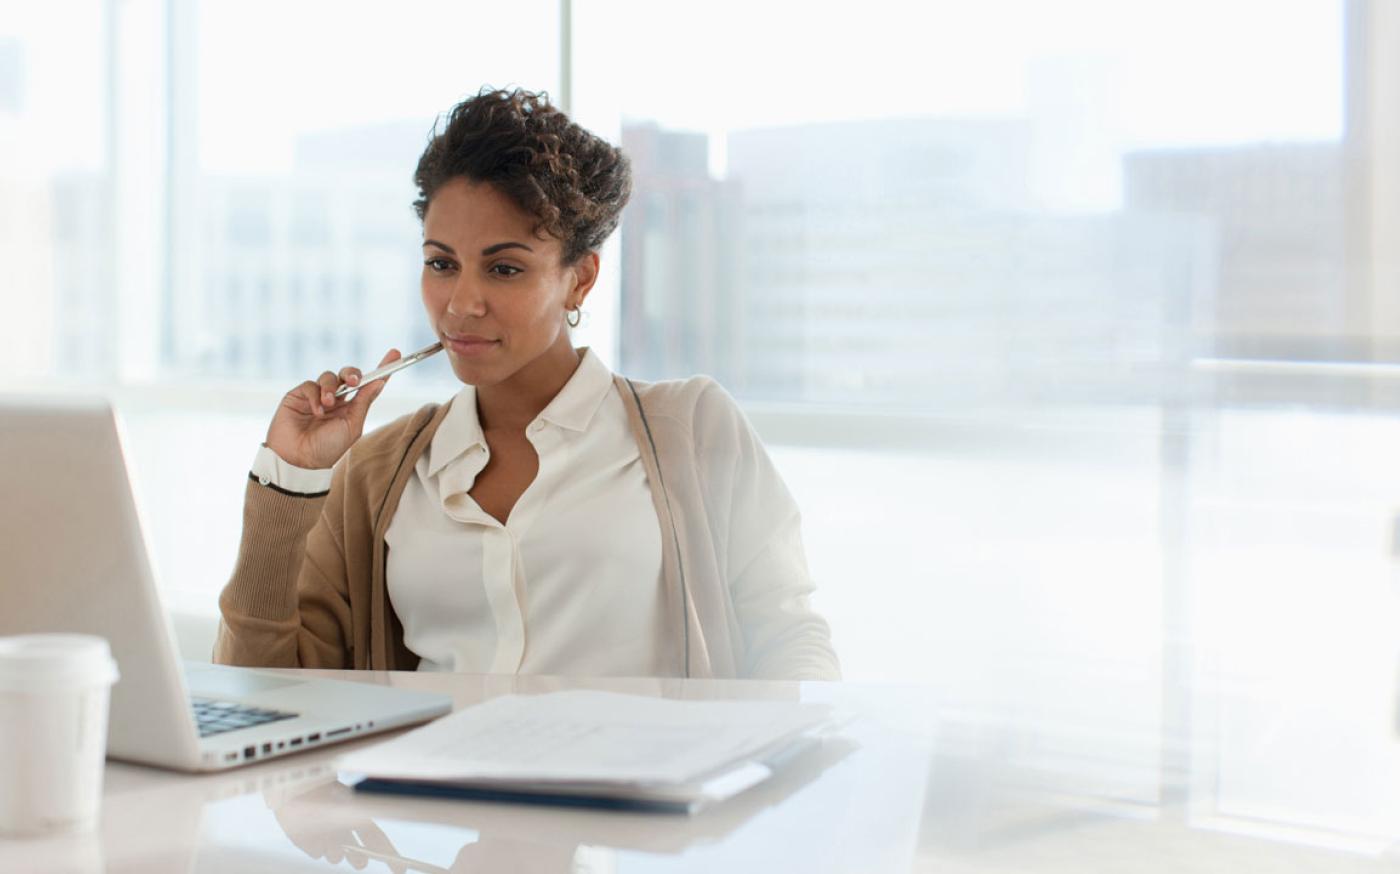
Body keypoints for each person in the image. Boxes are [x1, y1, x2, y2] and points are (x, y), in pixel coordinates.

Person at [213, 87, 840, 681]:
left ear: (579, 279)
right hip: (426, 794)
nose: (461, 305)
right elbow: (266, 695)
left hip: (633, 791)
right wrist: (291, 478)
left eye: (504, 268)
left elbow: (790, 642)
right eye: (441, 264)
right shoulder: (378, 474)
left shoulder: (693, 428)